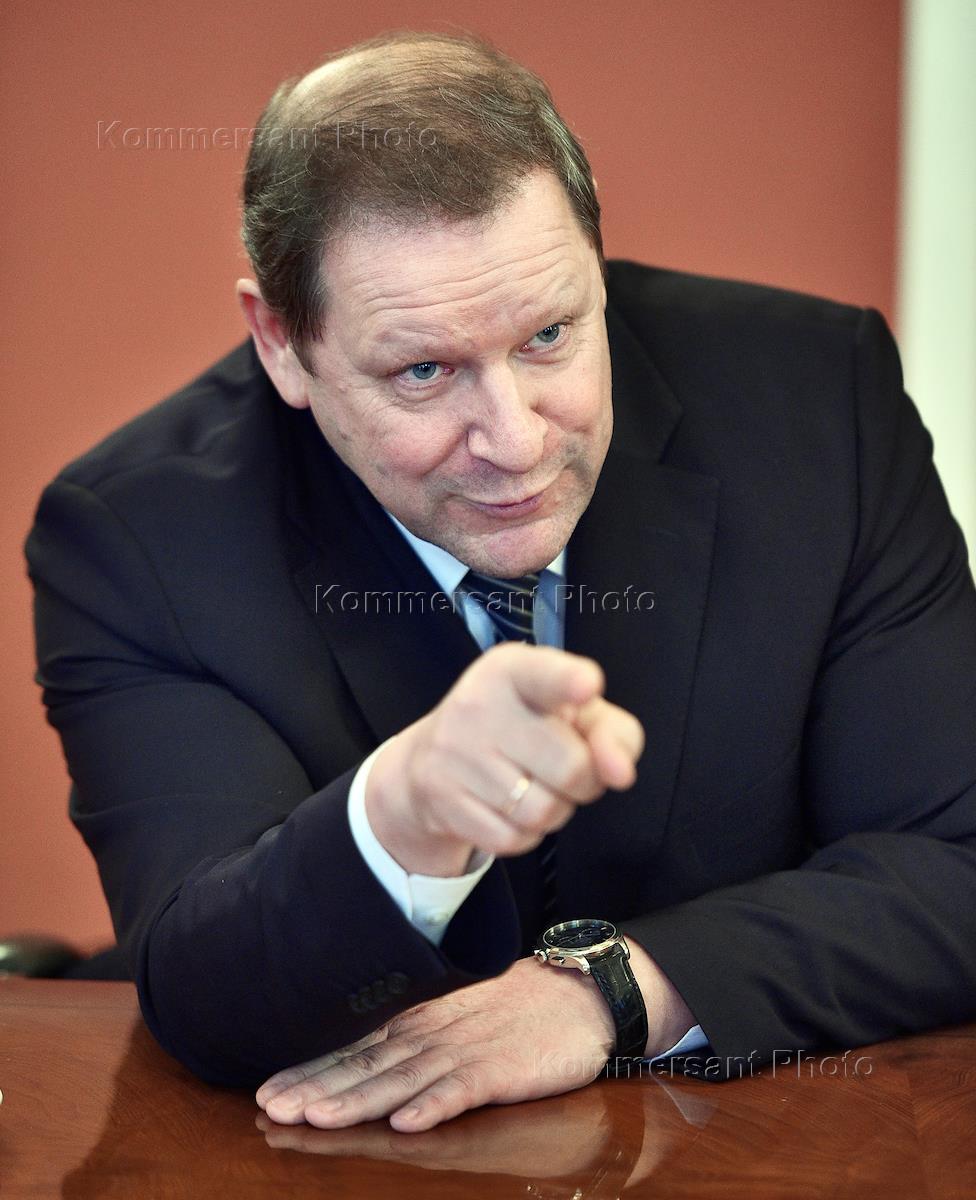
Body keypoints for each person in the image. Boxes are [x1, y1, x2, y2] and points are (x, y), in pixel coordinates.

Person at [26, 31, 976, 1134]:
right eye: (423, 370)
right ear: (281, 343)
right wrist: (405, 813)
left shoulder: (817, 400)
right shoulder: (137, 537)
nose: (516, 442)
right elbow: (206, 990)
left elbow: (954, 861)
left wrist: (613, 993)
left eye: (549, 335)